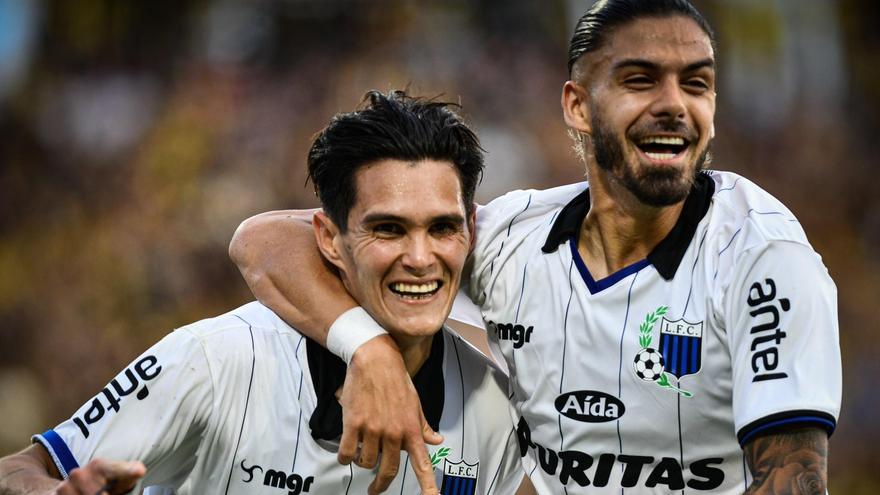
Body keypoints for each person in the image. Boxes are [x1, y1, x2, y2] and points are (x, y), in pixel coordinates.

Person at [227, 1, 842, 494]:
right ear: (577, 105)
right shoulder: (517, 236)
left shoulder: (762, 257)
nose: (674, 105)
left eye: (697, 85)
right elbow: (264, 241)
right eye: (640, 81)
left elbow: (794, 479)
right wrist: (370, 350)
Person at [0, 91, 527, 495]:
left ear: (470, 233)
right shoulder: (217, 360)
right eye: (387, 229)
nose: (419, 257)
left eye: (442, 228)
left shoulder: (494, 411)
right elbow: (20, 468)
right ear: (329, 239)